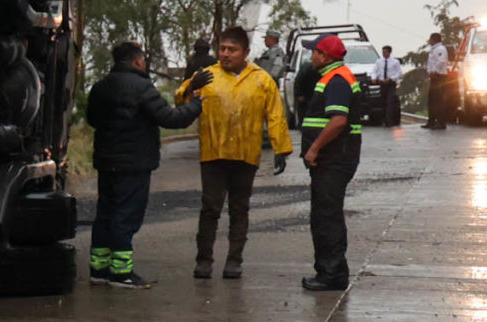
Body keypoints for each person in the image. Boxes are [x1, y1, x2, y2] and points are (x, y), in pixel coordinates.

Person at [84, 40, 205, 289]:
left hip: (107, 161)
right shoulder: (142, 87)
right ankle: (121, 273)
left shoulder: (100, 87)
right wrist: (196, 105)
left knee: (105, 212)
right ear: (138, 61)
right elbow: (170, 119)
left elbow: (92, 119)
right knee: (126, 215)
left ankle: (99, 269)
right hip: (134, 164)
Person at [172, 26, 290, 279]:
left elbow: (276, 115)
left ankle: (234, 260)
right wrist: (190, 87)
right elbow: (179, 102)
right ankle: (204, 260)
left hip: (246, 156)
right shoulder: (207, 76)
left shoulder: (262, 80)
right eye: (222, 49)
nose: (225, 54)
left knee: (240, 209)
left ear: (245, 52)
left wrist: (281, 149)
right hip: (213, 154)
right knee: (210, 208)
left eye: (232, 50)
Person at [301, 33, 364, 292]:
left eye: (314, 51)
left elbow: (338, 120)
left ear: (325, 56)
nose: (311, 55)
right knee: (326, 215)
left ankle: (331, 275)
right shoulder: (334, 77)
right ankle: (332, 272)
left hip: (334, 159)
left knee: (327, 217)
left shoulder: (337, 80)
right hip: (333, 159)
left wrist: (314, 149)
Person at [421, 31, 451, 129]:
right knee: (432, 101)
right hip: (434, 77)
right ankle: (431, 121)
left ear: (434, 40)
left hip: (439, 77)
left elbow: (441, 62)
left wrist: (435, 71)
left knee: (439, 101)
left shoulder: (440, 49)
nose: (429, 41)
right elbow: (432, 63)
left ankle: (441, 122)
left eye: (430, 39)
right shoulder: (433, 49)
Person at [371, 44, 404, 126]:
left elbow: (399, 73)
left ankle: (389, 121)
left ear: (389, 52)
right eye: (383, 52)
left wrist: (391, 78)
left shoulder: (395, 62)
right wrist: (374, 78)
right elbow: (374, 71)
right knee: (382, 102)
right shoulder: (379, 61)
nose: (384, 53)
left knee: (390, 102)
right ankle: (382, 119)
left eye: (385, 52)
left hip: (390, 84)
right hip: (382, 83)